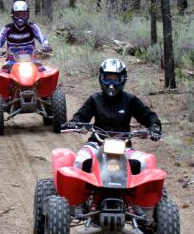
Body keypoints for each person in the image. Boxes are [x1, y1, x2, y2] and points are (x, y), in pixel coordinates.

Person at [64, 58, 162, 214]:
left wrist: (154, 127)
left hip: (124, 146)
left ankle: (141, 205)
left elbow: (148, 116)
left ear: (122, 79)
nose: (111, 83)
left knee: (145, 164)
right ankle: (79, 202)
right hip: (96, 143)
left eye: (115, 79)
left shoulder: (130, 100)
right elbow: (81, 116)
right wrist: (75, 123)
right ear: (101, 78)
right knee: (80, 160)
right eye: (108, 78)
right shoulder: (95, 99)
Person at [0, 1, 52, 71]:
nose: (20, 18)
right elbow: (0, 39)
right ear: (13, 15)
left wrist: (46, 45)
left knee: (43, 72)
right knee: (2, 74)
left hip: (32, 60)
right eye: (17, 15)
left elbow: (41, 37)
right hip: (12, 61)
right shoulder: (7, 28)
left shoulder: (32, 27)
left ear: (28, 15)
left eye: (23, 15)